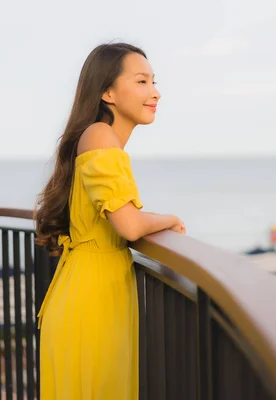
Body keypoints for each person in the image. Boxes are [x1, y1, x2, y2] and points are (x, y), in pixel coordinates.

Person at [34, 42, 185, 399]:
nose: (155, 92)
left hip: (97, 294)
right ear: (107, 92)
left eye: (153, 82)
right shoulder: (102, 137)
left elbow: (118, 214)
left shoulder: (99, 138)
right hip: (91, 302)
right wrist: (168, 219)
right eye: (142, 82)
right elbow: (129, 226)